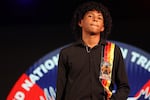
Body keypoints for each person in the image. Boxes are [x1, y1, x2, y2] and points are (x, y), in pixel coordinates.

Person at [56, 1, 130, 100]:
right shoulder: (67, 53)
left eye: (99, 18)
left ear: (103, 27)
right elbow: (60, 90)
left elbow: (124, 87)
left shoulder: (113, 51)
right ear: (80, 22)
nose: (95, 19)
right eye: (90, 16)